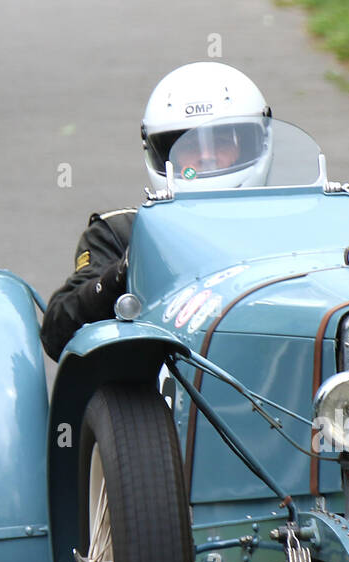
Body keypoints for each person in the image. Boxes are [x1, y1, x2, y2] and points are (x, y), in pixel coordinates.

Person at [40, 62, 274, 361]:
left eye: (222, 140)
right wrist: (126, 269)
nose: (206, 155)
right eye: (186, 146)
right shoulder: (122, 231)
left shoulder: (299, 222)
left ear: (257, 143)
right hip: (159, 392)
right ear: (160, 153)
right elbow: (57, 333)